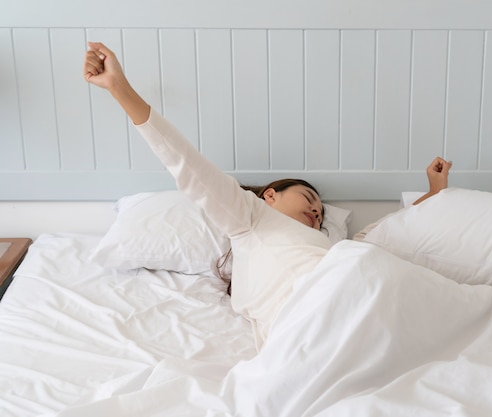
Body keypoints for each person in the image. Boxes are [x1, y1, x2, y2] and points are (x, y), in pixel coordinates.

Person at [83, 42, 452, 349]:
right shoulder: (248, 218)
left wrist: (433, 195)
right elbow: (186, 164)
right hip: (311, 327)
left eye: (321, 212)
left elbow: (385, 235)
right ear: (270, 196)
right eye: (309, 197)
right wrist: (120, 88)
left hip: (365, 297)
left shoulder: (330, 245)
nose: (317, 211)